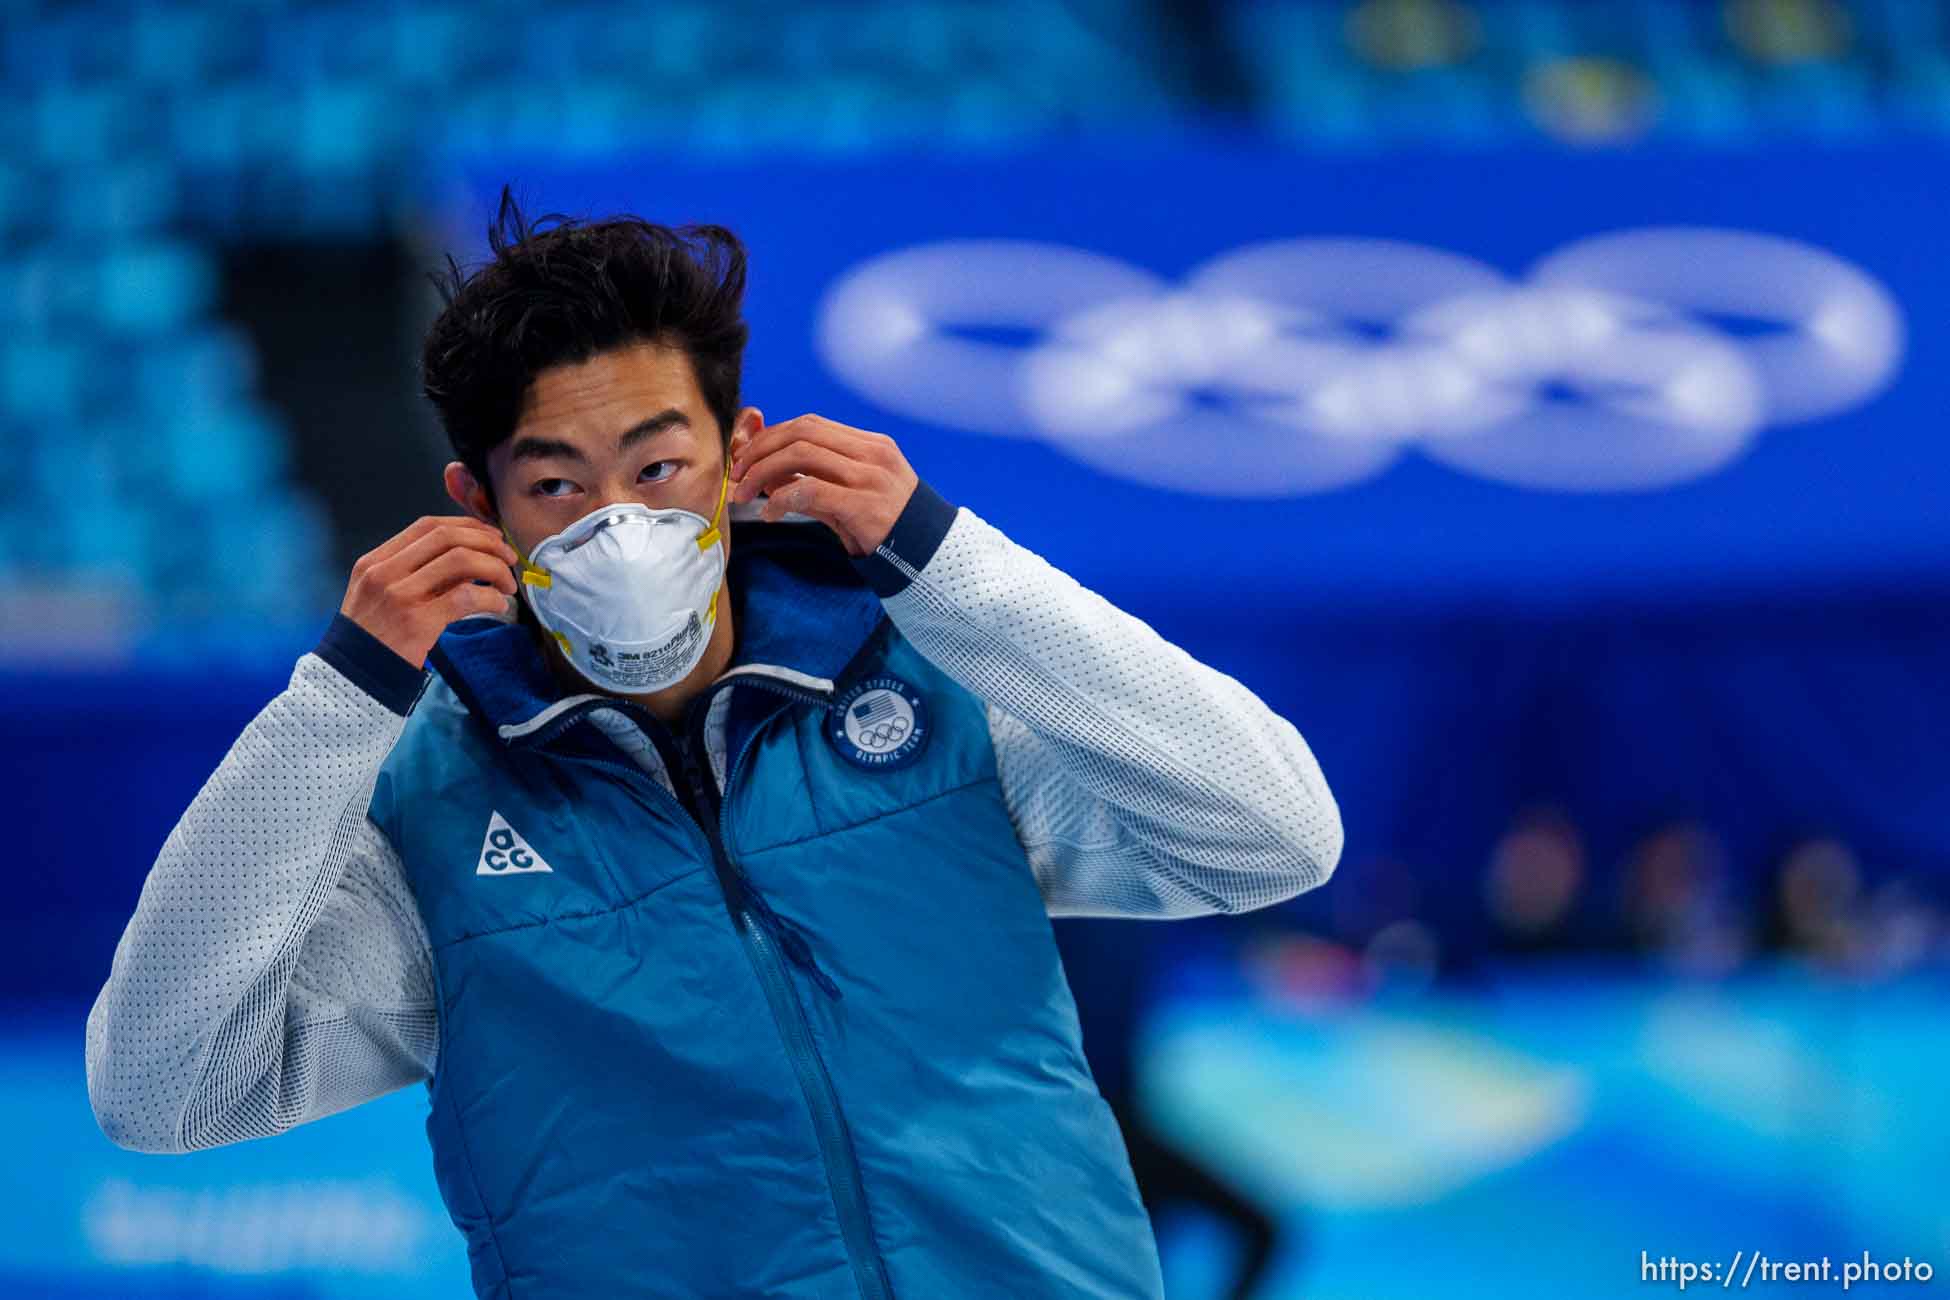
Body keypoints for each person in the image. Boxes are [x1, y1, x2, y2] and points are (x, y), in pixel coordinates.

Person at [84, 192, 1345, 1300]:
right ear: (480, 507)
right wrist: (339, 700)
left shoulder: (940, 695)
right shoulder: (432, 808)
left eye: (660, 464)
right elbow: (163, 1089)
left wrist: (949, 562)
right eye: (560, 486)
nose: (622, 523)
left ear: (737, 457)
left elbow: (1276, 835)